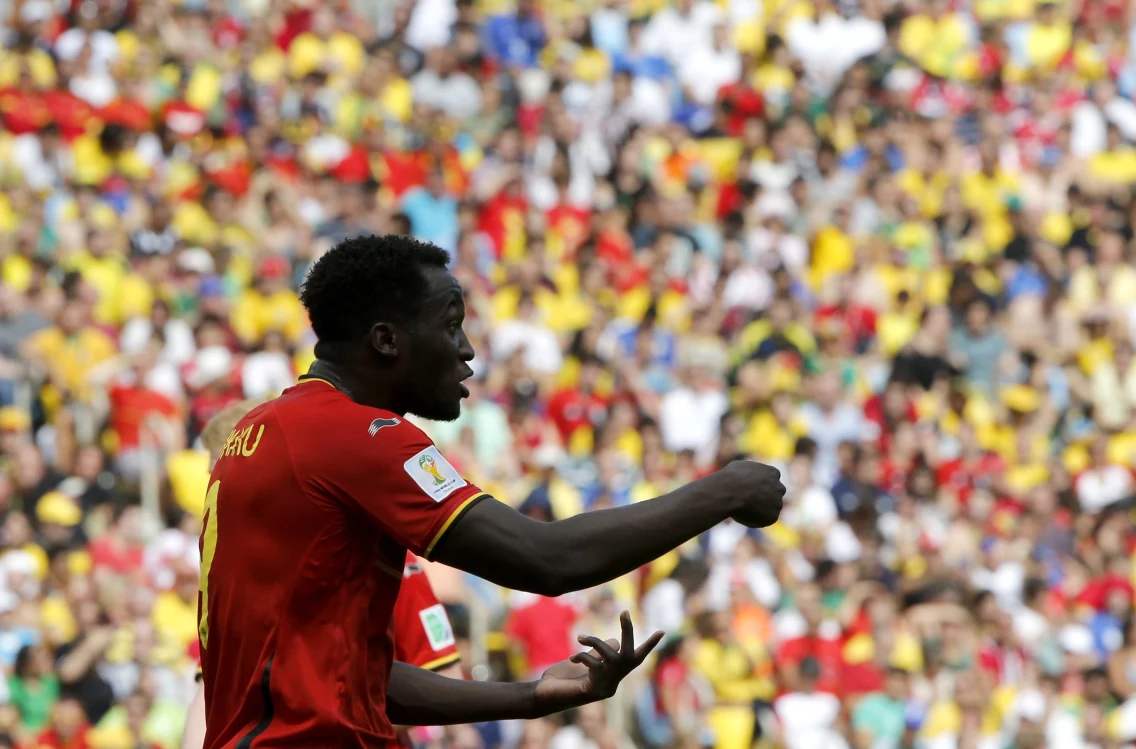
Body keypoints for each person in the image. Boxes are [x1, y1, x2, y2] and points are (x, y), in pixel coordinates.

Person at [198, 235, 785, 747]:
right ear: (385, 340)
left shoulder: (258, 433)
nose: (467, 348)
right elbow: (547, 559)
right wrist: (725, 492)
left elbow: (359, 679)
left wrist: (533, 696)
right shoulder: (355, 435)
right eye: (450, 325)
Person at [182, 398, 468, 749]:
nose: (220, 488)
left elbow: (442, 671)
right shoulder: (236, 563)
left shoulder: (374, 555)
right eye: (215, 475)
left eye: (227, 474)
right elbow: (210, 690)